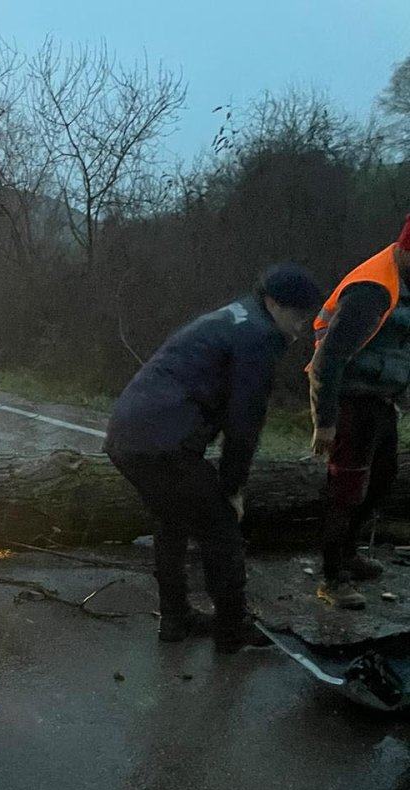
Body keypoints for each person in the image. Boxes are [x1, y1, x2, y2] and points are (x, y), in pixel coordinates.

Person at [104, 264, 323, 653]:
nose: (300, 328)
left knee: (171, 520)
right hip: (163, 441)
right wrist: (233, 486)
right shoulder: (259, 335)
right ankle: (231, 630)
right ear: (274, 303)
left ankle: (175, 619)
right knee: (221, 531)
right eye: (297, 316)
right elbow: (245, 421)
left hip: (127, 435)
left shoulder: (236, 314)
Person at [308, 215, 410, 610]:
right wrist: (326, 422)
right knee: (346, 489)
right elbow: (327, 359)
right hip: (349, 399)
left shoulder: (405, 283)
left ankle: (349, 551)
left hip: (381, 398)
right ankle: (333, 578)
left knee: (384, 479)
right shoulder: (373, 290)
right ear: (404, 250)